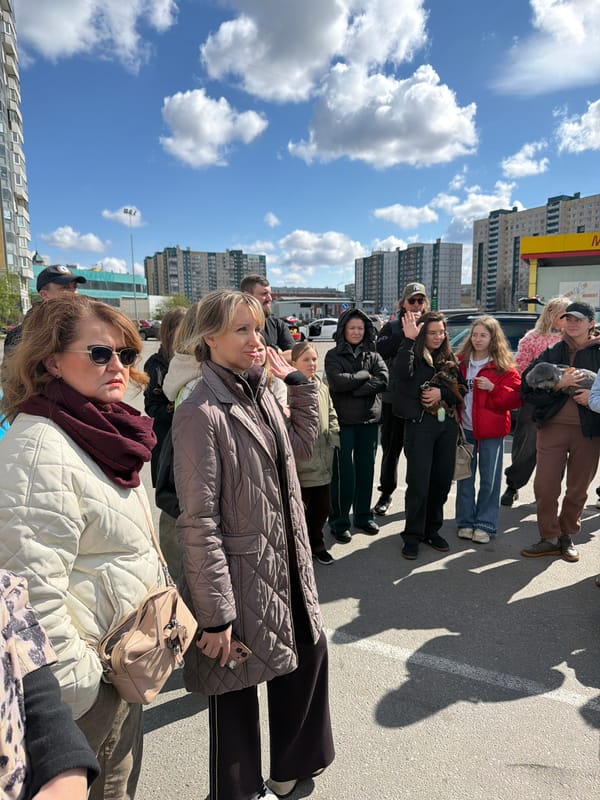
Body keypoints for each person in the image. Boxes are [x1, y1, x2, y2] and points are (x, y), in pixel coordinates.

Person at [171, 290, 334, 800]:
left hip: (285, 563)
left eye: (258, 329)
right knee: (234, 698)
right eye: (242, 330)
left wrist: (300, 384)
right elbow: (197, 520)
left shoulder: (260, 389)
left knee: (306, 657)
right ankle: (238, 794)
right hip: (239, 579)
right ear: (209, 338)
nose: (256, 340)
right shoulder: (200, 408)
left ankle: (288, 771)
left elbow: (301, 449)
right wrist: (215, 616)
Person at [0, 295, 164, 799]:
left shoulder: (96, 427)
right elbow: (26, 596)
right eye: (99, 353)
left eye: (126, 354)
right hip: (86, 693)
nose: (117, 366)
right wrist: (86, 686)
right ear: (50, 360)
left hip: (120, 663)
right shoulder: (39, 449)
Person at [0, 569, 99, 800]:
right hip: (98, 672)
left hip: (120, 666)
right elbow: (44, 589)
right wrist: (89, 669)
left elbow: (16, 620)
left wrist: (65, 754)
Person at [520, 301, 600, 562]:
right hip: (552, 427)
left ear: (591, 323)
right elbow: (527, 388)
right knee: (545, 486)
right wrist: (557, 384)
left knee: (578, 490)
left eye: (579, 318)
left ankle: (567, 535)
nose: (572, 322)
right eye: (568, 318)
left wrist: (594, 396)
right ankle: (549, 537)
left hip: (589, 431)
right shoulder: (552, 351)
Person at [391, 311, 466, 560]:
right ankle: (412, 536)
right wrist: (408, 340)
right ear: (423, 333)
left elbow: (462, 388)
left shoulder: (449, 356)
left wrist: (441, 394)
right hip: (420, 426)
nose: (437, 336)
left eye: (441, 332)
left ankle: (432, 530)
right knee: (418, 484)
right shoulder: (411, 352)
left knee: (442, 481)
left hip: (447, 426)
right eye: (432, 332)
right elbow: (401, 374)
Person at [455, 317, 521, 543]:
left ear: (493, 338)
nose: (478, 339)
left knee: (489, 481)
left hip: (491, 432)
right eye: (475, 334)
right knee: (464, 477)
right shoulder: (460, 362)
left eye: (483, 335)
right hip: (465, 430)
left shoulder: (503, 365)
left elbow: (515, 398)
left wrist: (494, 388)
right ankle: (464, 521)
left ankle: (485, 523)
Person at [324, 309, 388, 543]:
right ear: (343, 330)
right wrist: (363, 376)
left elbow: (383, 379)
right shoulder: (332, 355)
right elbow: (337, 382)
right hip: (342, 422)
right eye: (352, 328)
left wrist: (355, 389)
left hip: (369, 421)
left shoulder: (374, 354)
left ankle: (362, 515)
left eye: (360, 328)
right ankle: (339, 521)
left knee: (366, 470)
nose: (356, 332)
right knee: (343, 475)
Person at [501, 297, 570, 507]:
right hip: (533, 400)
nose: (567, 321)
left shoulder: (573, 339)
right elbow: (519, 368)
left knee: (558, 451)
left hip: (562, 400)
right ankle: (513, 485)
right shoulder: (531, 338)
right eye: (563, 316)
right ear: (551, 315)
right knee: (526, 446)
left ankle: (550, 493)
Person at [374, 282, 429, 516]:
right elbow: (381, 352)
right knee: (390, 450)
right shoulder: (391, 327)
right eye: (412, 300)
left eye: (420, 300)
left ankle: (417, 499)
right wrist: (405, 334)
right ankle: (386, 493)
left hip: (422, 401)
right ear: (403, 303)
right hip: (394, 400)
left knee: (419, 453)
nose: (416, 305)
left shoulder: (431, 326)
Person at [143, 306, 187, 578]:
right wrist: (182, 411)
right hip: (168, 444)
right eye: (183, 327)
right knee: (171, 509)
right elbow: (153, 407)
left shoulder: (199, 358)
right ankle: (172, 575)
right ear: (170, 331)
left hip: (193, 445)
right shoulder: (157, 364)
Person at [291, 341, 340, 565]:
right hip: (302, 462)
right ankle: (300, 548)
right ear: (293, 364)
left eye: (314, 359)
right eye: (305, 360)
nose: (311, 364)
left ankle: (317, 543)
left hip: (324, 457)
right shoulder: (290, 389)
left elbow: (331, 412)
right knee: (300, 509)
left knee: (322, 507)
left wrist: (334, 435)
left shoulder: (321, 385)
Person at [3, 265, 87, 357]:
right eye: (65, 288)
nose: (74, 293)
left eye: (74, 287)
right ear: (44, 295)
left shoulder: (86, 326)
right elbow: (12, 370)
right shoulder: (20, 336)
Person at [240, 274, 295, 358]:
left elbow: (294, 355)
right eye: (264, 294)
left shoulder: (278, 325)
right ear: (247, 296)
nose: (270, 298)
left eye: (270, 294)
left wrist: (270, 352)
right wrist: (277, 352)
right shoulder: (233, 325)